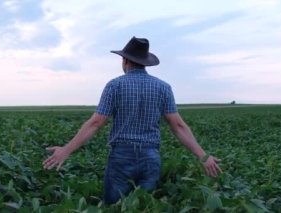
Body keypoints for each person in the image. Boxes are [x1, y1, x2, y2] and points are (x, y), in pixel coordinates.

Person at [42, 36, 222, 204]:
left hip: (121, 156)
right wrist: (203, 156)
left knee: (114, 206)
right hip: (151, 157)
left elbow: (96, 123)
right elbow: (178, 126)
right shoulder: (163, 88)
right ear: (145, 63)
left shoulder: (115, 85)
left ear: (125, 61)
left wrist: (66, 150)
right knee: (142, 206)